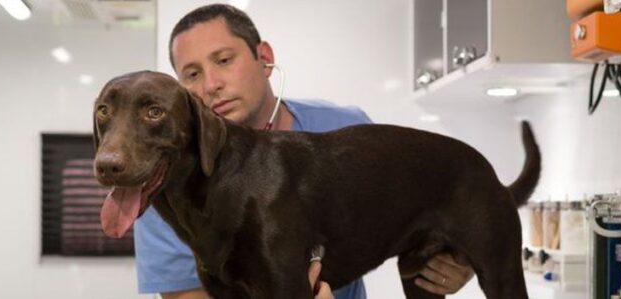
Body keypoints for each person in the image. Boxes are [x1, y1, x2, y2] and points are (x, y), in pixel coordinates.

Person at [133, 4, 474, 298]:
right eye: (192, 74)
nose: (210, 85)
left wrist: (456, 259)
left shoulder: (343, 128)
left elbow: (413, 217)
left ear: (263, 57)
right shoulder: (166, 176)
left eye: (224, 60)